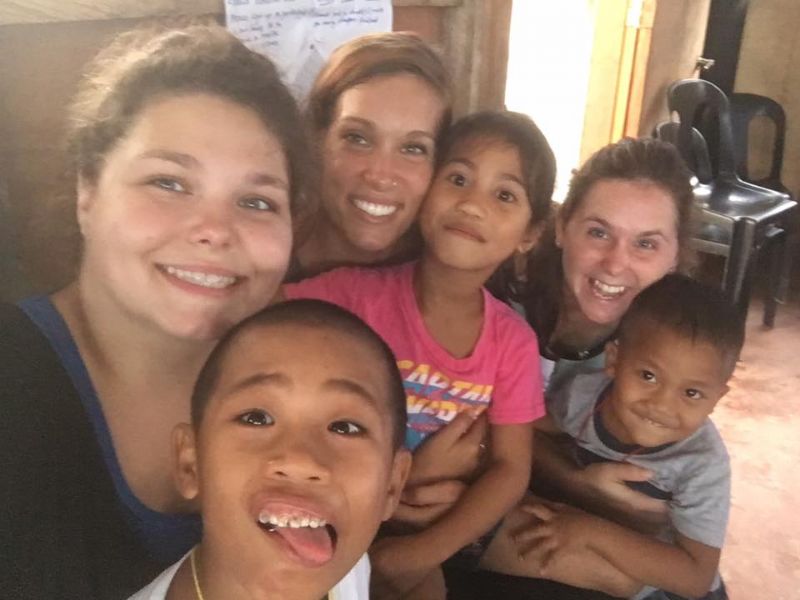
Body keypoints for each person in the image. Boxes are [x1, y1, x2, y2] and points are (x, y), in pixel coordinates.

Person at [0, 25, 315, 598]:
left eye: (256, 201)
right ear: (88, 192)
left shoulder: (296, 386)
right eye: (168, 182)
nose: (215, 230)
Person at [284, 110, 557, 598]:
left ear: (530, 235)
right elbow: (255, 311)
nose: (472, 204)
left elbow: (510, 470)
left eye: (504, 195)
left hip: (424, 535)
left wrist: (423, 552)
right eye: (458, 179)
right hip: (328, 510)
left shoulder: (513, 342)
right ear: (428, 188)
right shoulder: (355, 296)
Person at [128, 300, 412, 600]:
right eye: (256, 418)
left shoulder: (351, 566)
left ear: (392, 485)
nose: (301, 462)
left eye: (346, 427)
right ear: (191, 463)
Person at [506, 274, 744, 600]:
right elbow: (527, 424)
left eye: (691, 393)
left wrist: (590, 531)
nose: (662, 405)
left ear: (717, 398)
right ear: (614, 360)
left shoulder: (702, 464)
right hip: (596, 569)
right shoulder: (584, 397)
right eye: (648, 376)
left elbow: (695, 577)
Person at [294, 32, 453, 276]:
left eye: (413, 149)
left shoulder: (446, 278)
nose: (380, 176)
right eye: (357, 139)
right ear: (316, 139)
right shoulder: (259, 256)